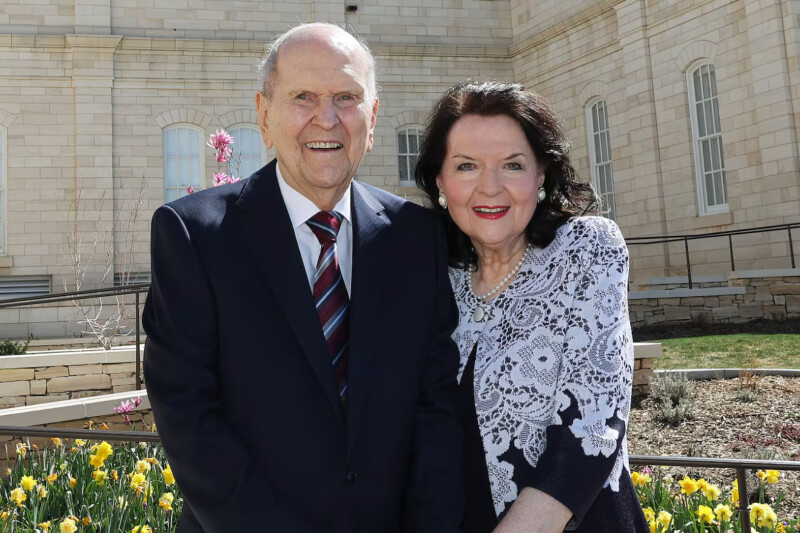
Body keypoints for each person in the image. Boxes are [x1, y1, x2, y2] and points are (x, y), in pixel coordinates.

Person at [143, 23, 463, 533]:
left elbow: (437, 409)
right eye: (303, 97)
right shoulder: (194, 237)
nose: (327, 118)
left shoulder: (416, 238)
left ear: (373, 117)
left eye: (346, 96)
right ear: (263, 116)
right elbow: (189, 417)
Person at [416, 81, 649, 533]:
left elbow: (592, 427)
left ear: (540, 175)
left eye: (512, 165)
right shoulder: (433, 277)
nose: (490, 187)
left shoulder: (586, 248)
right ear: (441, 181)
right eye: (466, 166)